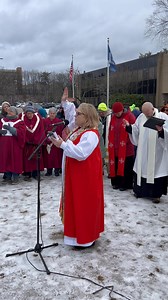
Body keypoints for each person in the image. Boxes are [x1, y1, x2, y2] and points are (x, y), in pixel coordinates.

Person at [50, 103, 104, 249]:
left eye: (78, 114)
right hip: (76, 175)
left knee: (83, 205)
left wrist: (63, 145)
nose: (75, 116)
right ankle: (74, 235)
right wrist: (59, 143)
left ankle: (85, 238)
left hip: (84, 178)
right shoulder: (79, 130)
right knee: (75, 204)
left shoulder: (91, 134)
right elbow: (71, 147)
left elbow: (81, 153)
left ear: (87, 117)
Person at [124, 101, 168, 203]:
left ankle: (156, 195)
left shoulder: (163, 117)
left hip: (157, 153)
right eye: (144, 113)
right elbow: (136, 129)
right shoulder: (141, 117)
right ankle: (140, 192)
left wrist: (161, 131)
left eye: (148, 113)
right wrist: (129, 127)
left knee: (156, 173)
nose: (146, 115)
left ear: (152, 109)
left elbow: (167, 131)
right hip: (143, 152)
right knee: (141, 170)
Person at [108, 102, 136, 191]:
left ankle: (126, 184)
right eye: (115, 113)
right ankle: (116, 182)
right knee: (116, 164)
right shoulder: (113, 118)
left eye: (118, 112)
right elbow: (110, 130)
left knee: (126, 167)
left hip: (126, 148)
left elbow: (134, 130)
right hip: (115, 147)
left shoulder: (130, 116)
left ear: (122, 110)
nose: (117, 114)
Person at [0, 106, 26, 184]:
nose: (10, 113)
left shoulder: (20, 122)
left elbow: (22, 133)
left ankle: (15, 177)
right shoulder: (2, 120)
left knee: (15, 160)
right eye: (9, 111)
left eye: (12, 111)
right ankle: (7, 176)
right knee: (6, 159)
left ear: (15, 113)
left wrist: (12, 130)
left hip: (15, 144)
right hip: (5, 144)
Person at [21, 104, 45, 180]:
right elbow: (22, 130)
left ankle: (36, 173)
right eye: (28, 113)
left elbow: (41, 130)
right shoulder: (22, 119)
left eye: (30, 113)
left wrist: (36, 139)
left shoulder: (38, 119)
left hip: (36, 143)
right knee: (27, 158)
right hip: (27, 144)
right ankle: (27, 173)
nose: (29, 115)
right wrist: (26, 139)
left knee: (36, 159)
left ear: (33, 113)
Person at [43, 107, 64, 176]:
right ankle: (49, 170)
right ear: (49, 114)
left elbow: (60, 131)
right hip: (48, 141)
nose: (52, 115)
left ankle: (57, 170)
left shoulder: (58, 121)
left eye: (53, 113)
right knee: (49, 157)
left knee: (56, 157)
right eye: (51, 113)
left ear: (55, 114)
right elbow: (43, 130)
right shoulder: (45, 121)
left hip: (56, 142)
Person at [97, 102, 111, 176]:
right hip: (101, 140)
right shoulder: (97, 118)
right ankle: (101, 170)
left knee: (108, 156)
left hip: (107, 138)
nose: (101, 113)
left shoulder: (109, 117)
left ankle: (109, 172)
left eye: (102, 112)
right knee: (101, 156)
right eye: (100, 112)